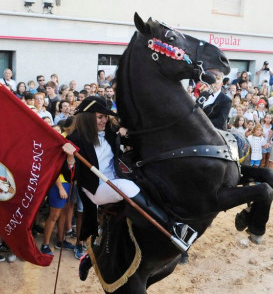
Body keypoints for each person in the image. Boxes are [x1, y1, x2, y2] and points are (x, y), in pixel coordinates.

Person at [61, 96, 194, 279]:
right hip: (96, 187)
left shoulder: (109, 131)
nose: (104, 120)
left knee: (143, 183)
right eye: (100, 117)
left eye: (105, 117)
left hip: (116, 178)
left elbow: (134, 139)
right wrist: (69, 158)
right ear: (88, 117)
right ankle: (171, 227)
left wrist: (126, 133)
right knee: (128, 187)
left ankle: (90, 258)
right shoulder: (75, 139)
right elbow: (70, 176)